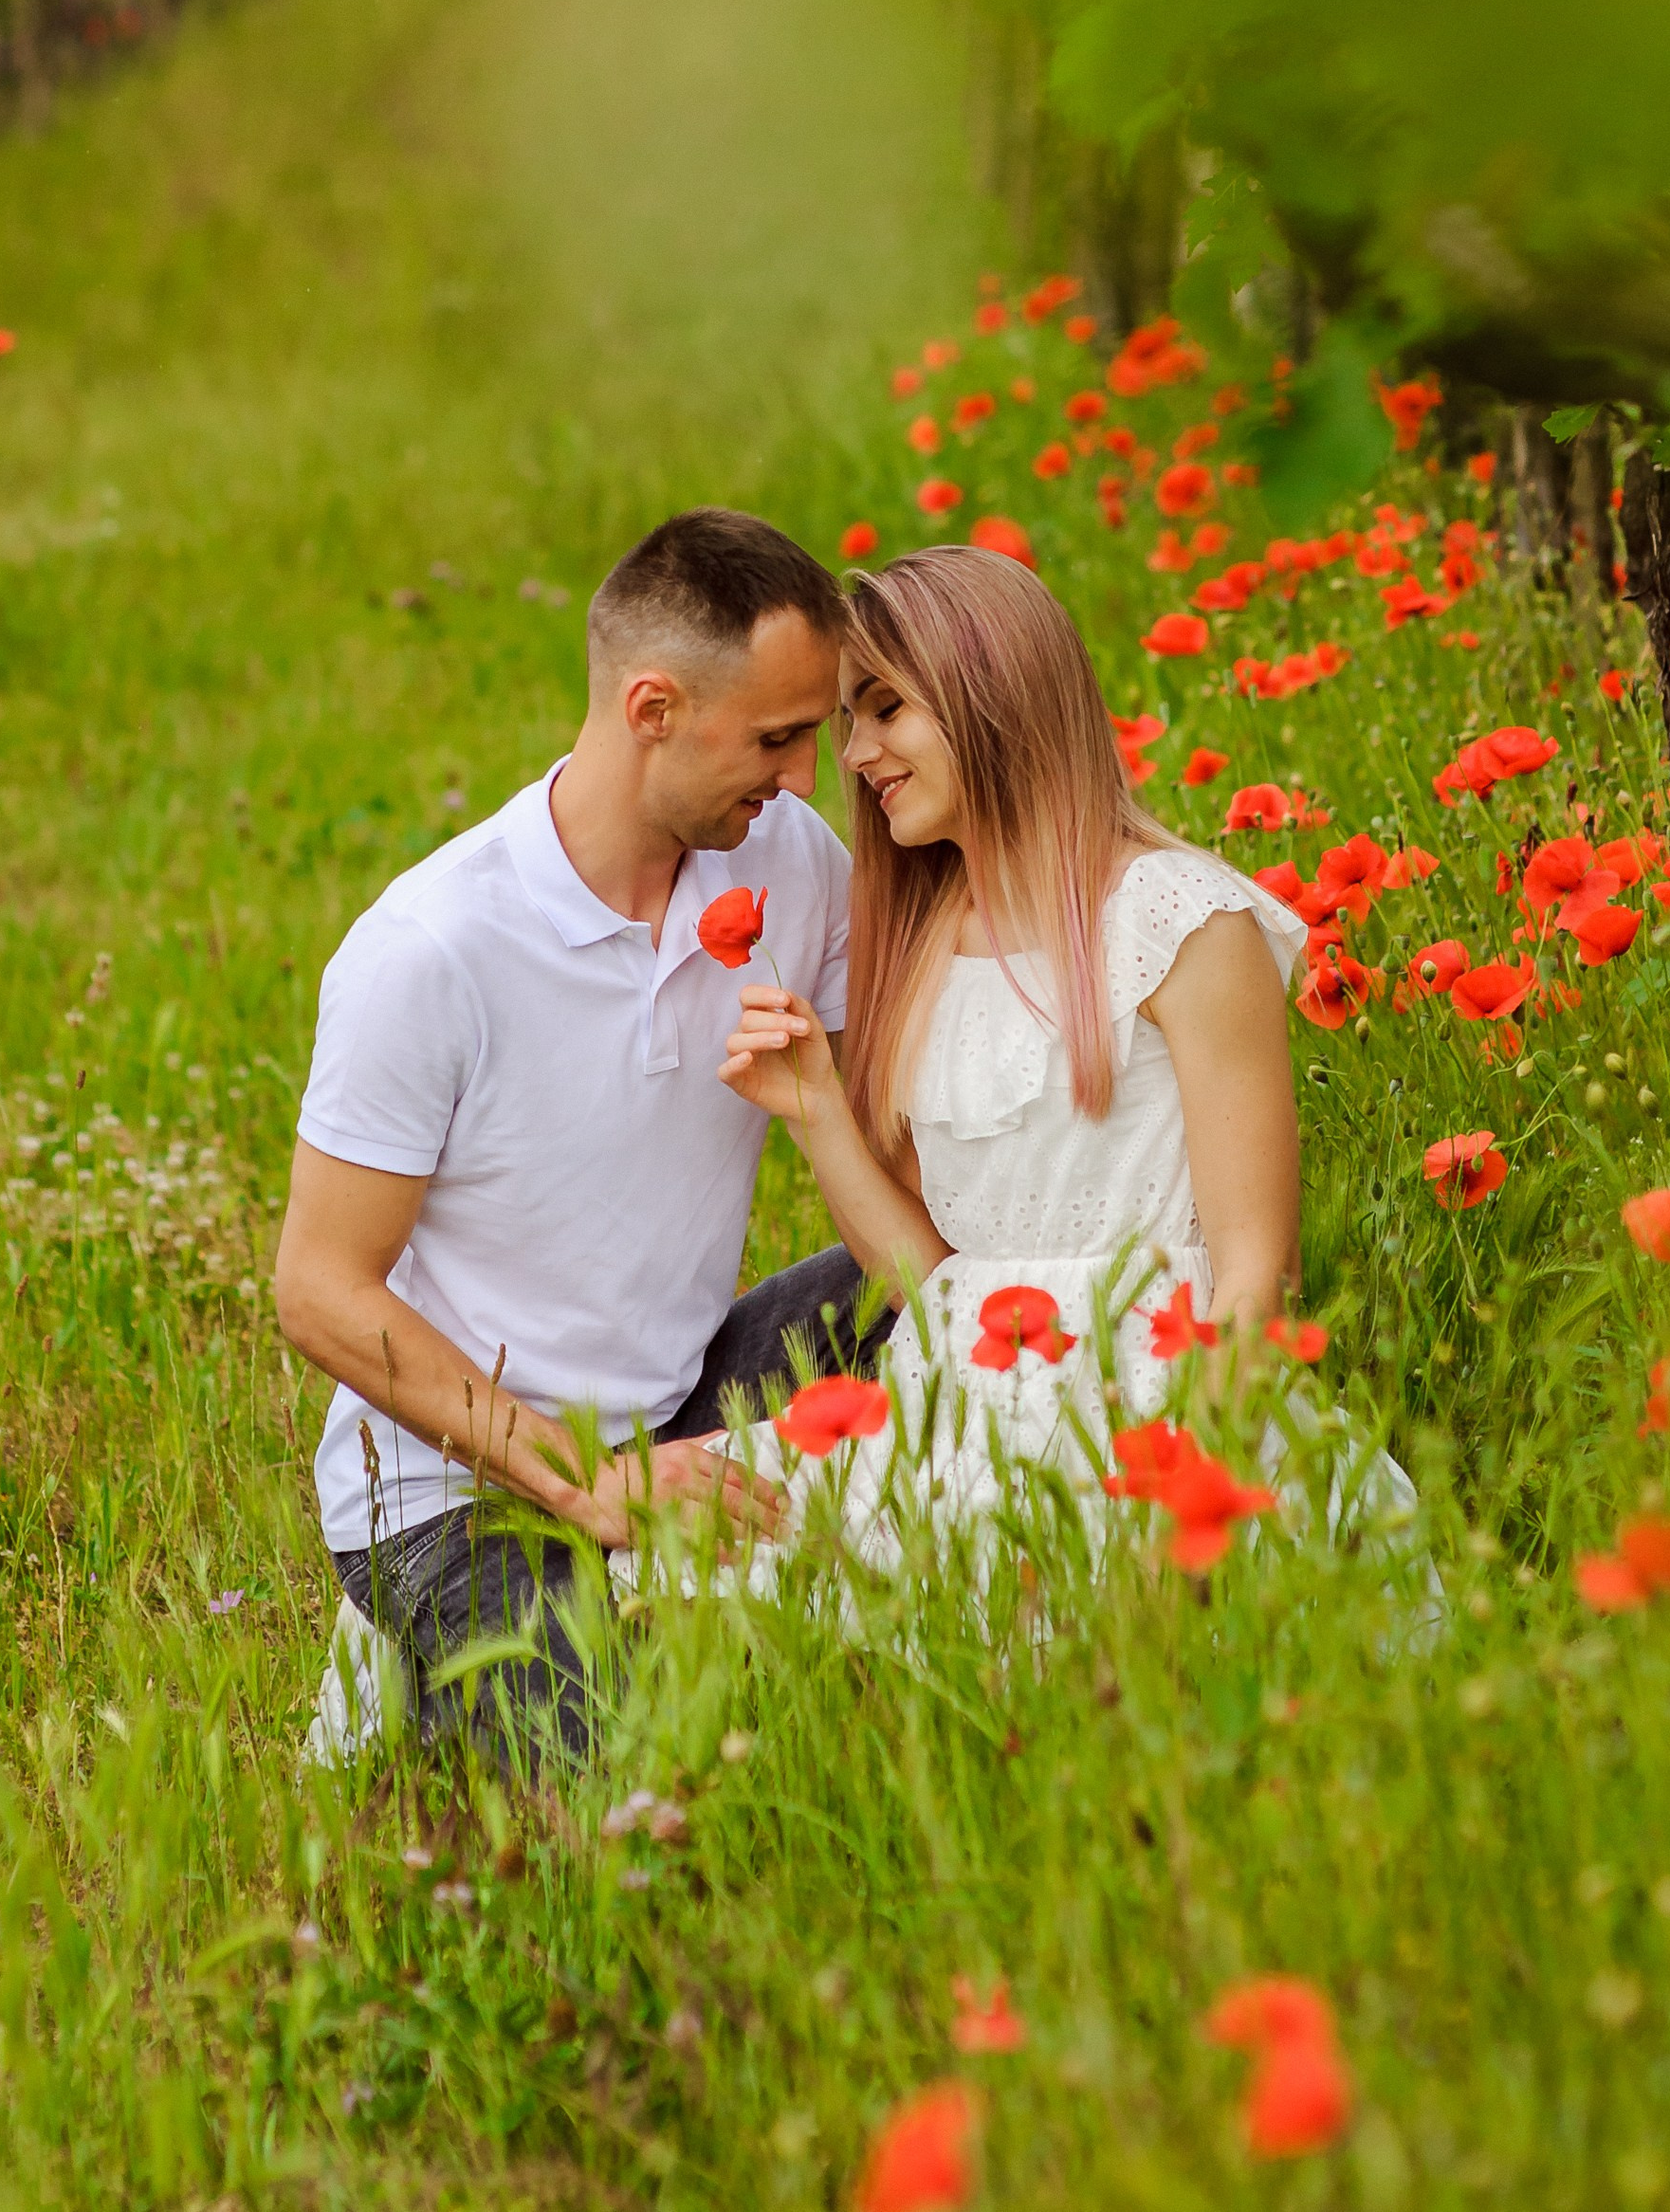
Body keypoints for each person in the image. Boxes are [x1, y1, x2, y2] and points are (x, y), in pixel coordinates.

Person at [274, 507, 889, 1764]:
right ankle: (415, 1655)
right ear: (651, 705)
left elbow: (885, 1125)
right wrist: (585, 1485)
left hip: (679, 1393)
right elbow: (318, 1288)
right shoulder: (432, 950)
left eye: (810, 735)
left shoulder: (792, 860)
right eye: (775, 737)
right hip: (460, 1482)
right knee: (642, 1786)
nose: (800, 775)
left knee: (965, 1289)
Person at [717, 541, 1331, 1568]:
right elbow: (941, 1282)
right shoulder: (920, 949)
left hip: (1158, 1407)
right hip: (959, 1399)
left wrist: (1183, 1494)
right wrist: (819, 1112)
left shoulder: (1176, 921)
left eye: (885, 709)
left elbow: (1260, 1271)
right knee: (693, 1566)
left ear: (987, 693)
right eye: (847, 722)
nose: (857, 755)